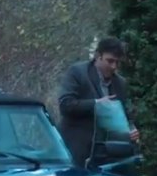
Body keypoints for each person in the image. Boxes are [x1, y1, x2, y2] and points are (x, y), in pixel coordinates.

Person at [57, 37, 140, 168]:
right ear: (97, 56)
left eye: (117, 63)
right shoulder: (78, 73)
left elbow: (125, 115)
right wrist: (96, 104)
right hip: (77, 149)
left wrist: (131, 130)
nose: (114, 67)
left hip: (107, 155)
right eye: (110, 61)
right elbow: (65, 104)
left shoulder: (120, 83)